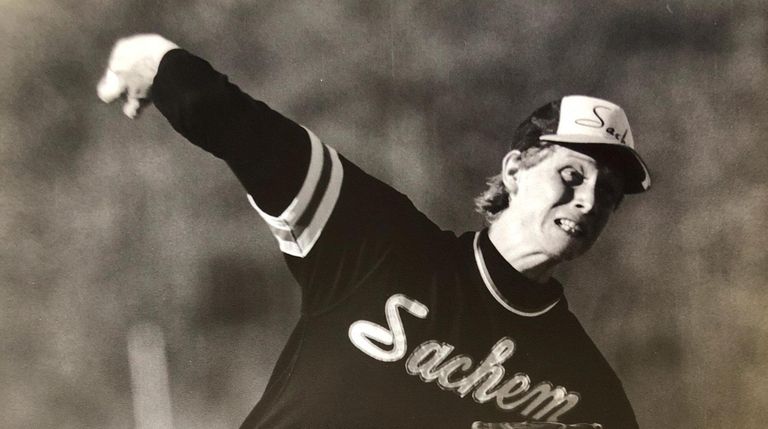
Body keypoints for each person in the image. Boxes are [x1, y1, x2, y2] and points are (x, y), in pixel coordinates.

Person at [98, 34, 649, 429]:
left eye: (608, 193)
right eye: (572, 175)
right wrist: (152, 61)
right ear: (514, 170)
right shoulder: (380, 246)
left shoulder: (584, 390)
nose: (588, 200)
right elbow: (244, 130)